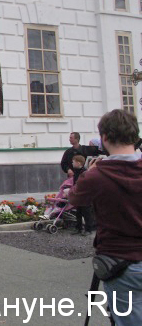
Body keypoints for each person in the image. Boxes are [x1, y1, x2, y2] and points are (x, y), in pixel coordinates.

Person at [69, 109, 142, 325]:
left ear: (105, 138)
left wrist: (88, 173)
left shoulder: (98, 175)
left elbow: (75, 199)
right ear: (135, 136)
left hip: (119, 260)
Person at [70, 155, 94, 236]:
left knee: (87, 213)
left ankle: (88, 229)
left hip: (85, 196)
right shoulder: (76, 171)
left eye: (73, 162)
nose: (72, 163)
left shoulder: (84, 172)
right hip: (78, 195)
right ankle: (79, 228)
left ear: (78, 163)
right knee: (78, 213)